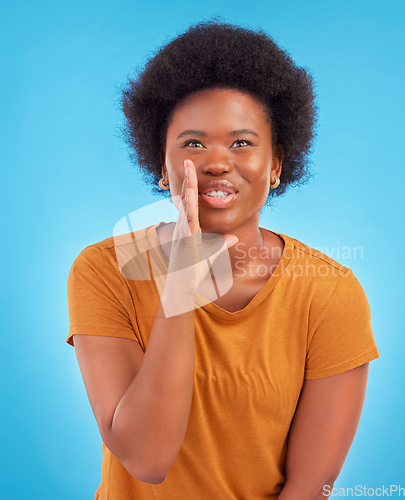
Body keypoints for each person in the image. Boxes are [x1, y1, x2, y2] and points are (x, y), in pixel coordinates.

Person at [66, 19, 380, 500]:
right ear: (161, 166)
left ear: (275, 166)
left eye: (242, 143)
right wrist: (181, 282)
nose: (216, 161)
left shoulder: (329, 293)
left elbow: (308, 489)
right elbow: (147, 460)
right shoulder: (106, 271)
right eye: (193, 143)